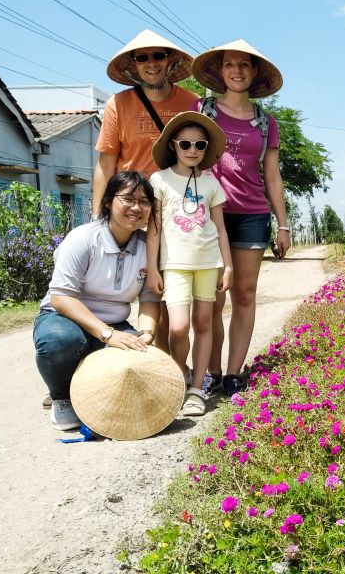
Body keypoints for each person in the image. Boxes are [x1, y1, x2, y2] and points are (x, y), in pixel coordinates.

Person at [191, 40, 291, 397]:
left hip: (251, 214)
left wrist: (283, 224)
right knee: (212, 297)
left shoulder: (267, 124)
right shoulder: (202, 110)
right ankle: (210, 370)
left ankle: (234, 372)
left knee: (244, 295)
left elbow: (272, 176)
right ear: (220, 72)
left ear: (254, 73)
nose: (236, 71)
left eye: (244, 66)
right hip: (207, 215)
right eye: (230, 65)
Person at [91, 29, 198, 360]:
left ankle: (170, 368)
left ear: (170, 61)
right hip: (132, 210)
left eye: (158, 56)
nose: (151, 63)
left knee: (170, 296)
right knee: (128, 291)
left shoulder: (190, 103)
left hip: (176, 213)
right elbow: (105, 165)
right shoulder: (119, 104)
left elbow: (202, 156)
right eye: (143, 57)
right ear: (133, 66)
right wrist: (99, 219)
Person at [34, 172, 161, 431]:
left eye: (144, 201)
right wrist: (106, 334)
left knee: (135, 362)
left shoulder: (147, 247)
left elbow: (149, 299)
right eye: (127, 198)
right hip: (63, 318)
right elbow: (61, 297)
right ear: (107, 202)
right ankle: (62, 397)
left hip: (112, 323)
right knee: (60, 341)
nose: (136, 207)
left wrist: (146, 333)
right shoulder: (83, 238)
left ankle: (91, 394)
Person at [146, 112, 232, 416]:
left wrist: (229, 266)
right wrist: (153, 268)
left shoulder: (211, 183)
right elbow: (154, 228)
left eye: (199, 144)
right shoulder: (159, 180)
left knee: (204, 323)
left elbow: (220, 228)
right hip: (175, 265)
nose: (192, 149)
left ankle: (197, 388)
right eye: (185, 144)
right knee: (179, 326)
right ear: (173, 145)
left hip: (209, 263)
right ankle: (179, 375)